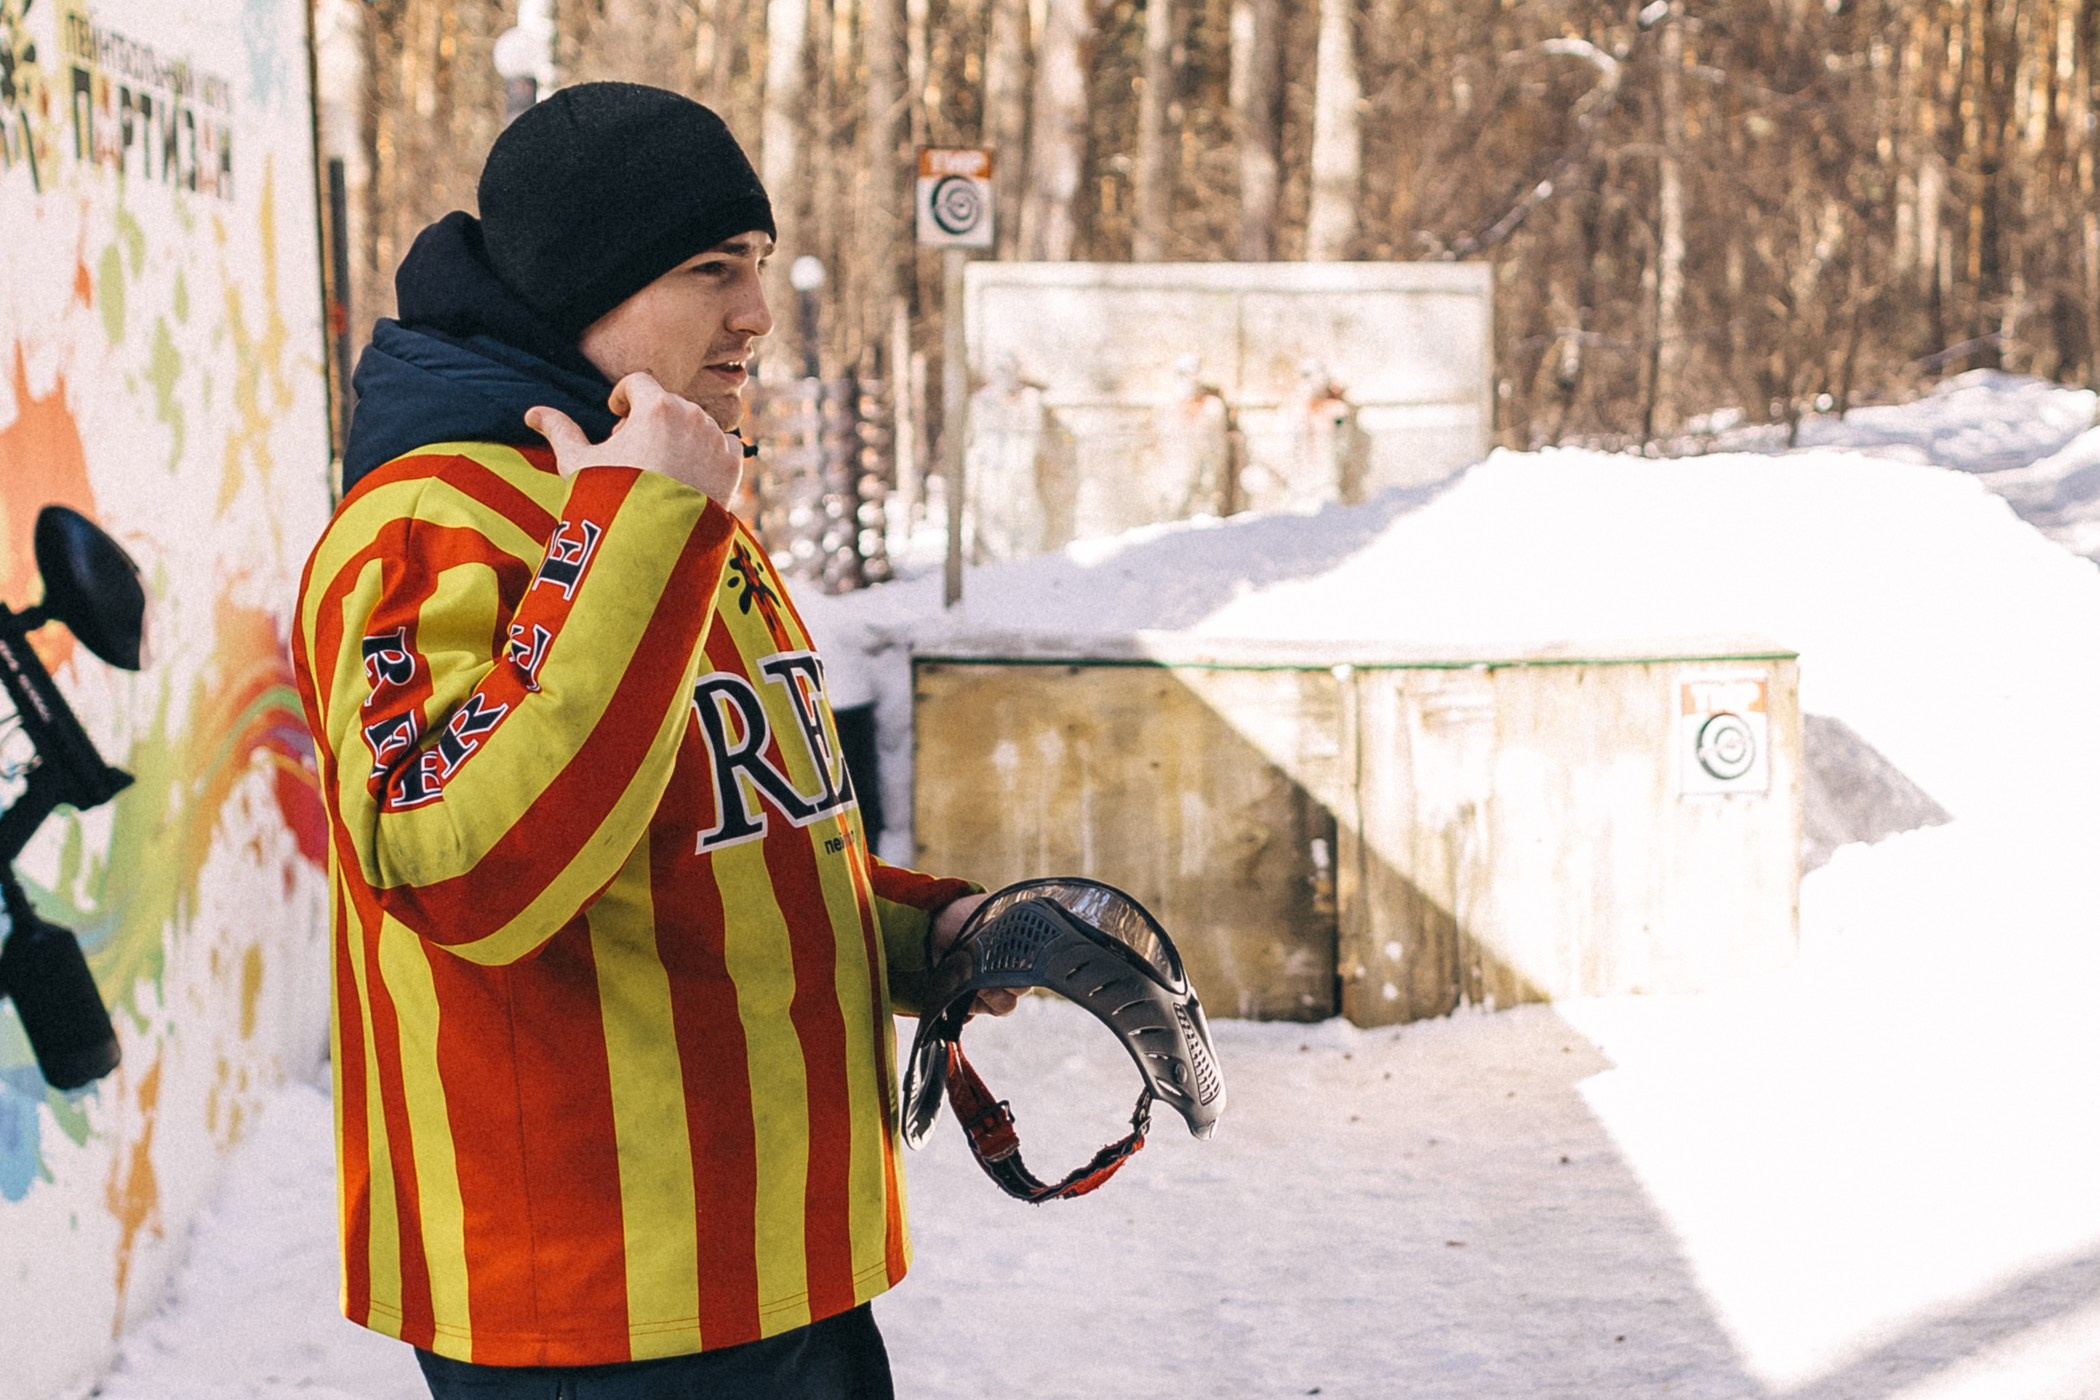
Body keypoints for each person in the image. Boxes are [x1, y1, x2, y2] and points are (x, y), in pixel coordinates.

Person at [290, 82, 1008, 1399]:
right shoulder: (429, 524)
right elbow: (453, 873)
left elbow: (695, 837)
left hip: (781, 1265)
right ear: (588, 283)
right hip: (590, 1309)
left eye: (760, 264)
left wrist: (939, 932)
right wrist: (632, 528)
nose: (758, 312)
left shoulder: (657, 489)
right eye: (711, 268)